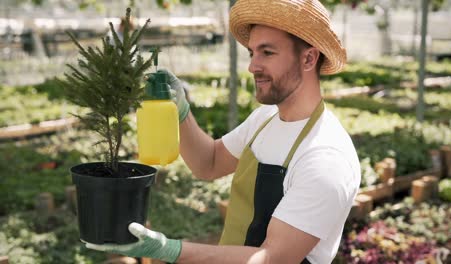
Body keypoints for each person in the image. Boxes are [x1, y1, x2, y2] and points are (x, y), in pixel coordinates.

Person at [85, 0, 361, 263]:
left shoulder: (325, 158)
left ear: (309, 58)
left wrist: (169, 249)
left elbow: (271, 259)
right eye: (252, 53)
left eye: (267, 52)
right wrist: (180, 112)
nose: (253, 66)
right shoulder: (265, 119)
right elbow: (210, 163)